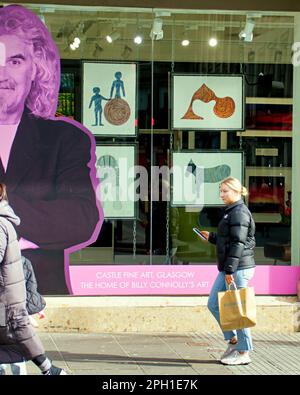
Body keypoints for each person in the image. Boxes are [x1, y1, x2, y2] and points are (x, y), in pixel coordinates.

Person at [0, 5, 103, 295]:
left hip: (41, 293)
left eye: (15, 61)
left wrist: (4, 212)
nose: (2, 73)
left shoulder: (65, 139)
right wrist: (34, 225)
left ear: (35, 68)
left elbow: (80, 219)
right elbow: (59, 217)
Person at [0, 183, 66, 375]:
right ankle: (49, 369)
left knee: (17, 332)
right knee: (14, 334)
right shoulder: (5, 222)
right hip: (7, 294)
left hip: (5, 296)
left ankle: (49, 369)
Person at [199, 177, 256, 366]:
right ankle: (233, 340)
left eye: (225, 191)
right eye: (220, 191)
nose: (221, 195)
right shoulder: (231, 212)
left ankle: (243, 351)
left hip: (237, 269)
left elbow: (238, 244)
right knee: (213, 304)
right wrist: (212, 237)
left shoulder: (239, 212)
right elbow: (231, 240)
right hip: (230, 268)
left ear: (236, 192)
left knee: (238, 310)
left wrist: (230, 270)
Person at [0, 256, 46, 375]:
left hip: (9, 312)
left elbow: (30, 288)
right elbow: (31, 288)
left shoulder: (22, 261)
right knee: (17, 350)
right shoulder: (22, 261)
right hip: (15, 312)